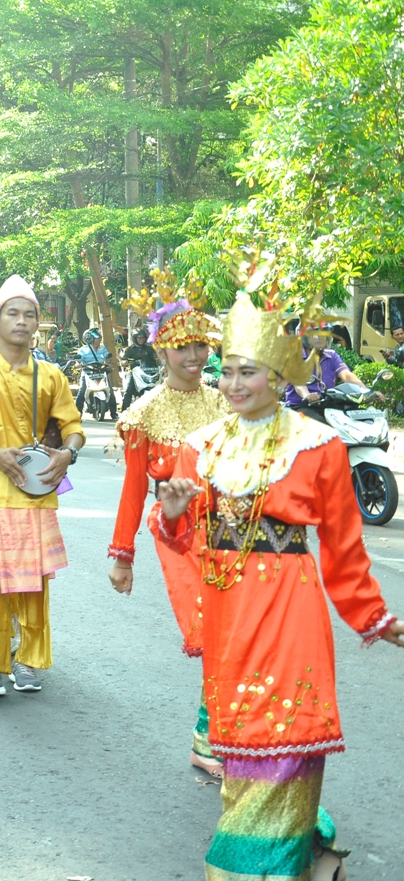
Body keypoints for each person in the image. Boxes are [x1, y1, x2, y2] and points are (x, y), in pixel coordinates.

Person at [153, 290, 404, 881]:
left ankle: (247, 869)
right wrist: (170, 513)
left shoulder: (319, 446)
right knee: (242, 744)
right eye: (228, 372)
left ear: (279, 373)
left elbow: (343, 549)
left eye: (249, 372)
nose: (234, 384)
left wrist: (375, 618)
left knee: (286, 732)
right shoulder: (200, 447)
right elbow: (180, 537)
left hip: (290, 605)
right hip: (229, 609)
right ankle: (309, 851)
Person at [106, 285, 229, 778]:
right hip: (178, 532)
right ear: (161, 350)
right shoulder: (144, 414)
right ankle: (208, 738)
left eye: (201, 345)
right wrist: (123, 556)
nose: (194, 356)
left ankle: (221, 732)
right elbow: (134, 490)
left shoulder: (226, 403)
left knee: (236, 627)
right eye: (182, 347)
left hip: (230, 529)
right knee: (215, 628)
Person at [0, 275, 85, 699]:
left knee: (33, 581)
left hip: (35, 490)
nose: (21, 321)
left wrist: (68, 454)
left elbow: (73, 427)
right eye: (13, 313)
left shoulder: (51, 374)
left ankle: (26, 660)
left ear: (37, 324)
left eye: (29, 315)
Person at [285, 321, 362, 410]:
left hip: (327, 406)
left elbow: (346, 375)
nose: (321, 337)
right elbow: (299, 384)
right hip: (300, 407)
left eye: (324, 334)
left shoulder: (331, 355)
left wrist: (365, 390)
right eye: (316, 334)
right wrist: (307, 395)